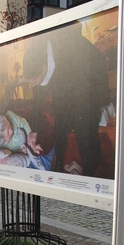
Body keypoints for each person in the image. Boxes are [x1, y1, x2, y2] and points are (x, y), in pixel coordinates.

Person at [23, 23, 109, 176]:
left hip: (85, 91)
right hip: (64, 95)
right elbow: (38, 97)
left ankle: (90, 175)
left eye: (34, 80)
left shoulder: (70, 44)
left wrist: (102, 101)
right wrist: (34, 131)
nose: (32, 84)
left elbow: (97, 62)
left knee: (86, 137)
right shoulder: (37, 55)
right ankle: (59, 167)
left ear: (44, 67)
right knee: (61, 132)